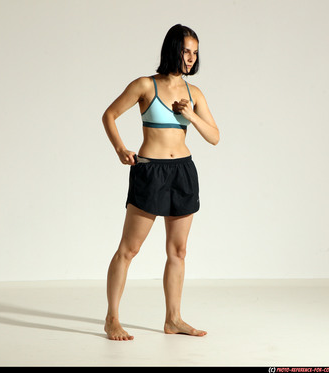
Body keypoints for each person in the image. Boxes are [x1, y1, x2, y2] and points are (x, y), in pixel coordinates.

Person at [102, 24, 219, 341]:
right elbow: (109, 115)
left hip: (182, 172)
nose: (191, 58)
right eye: (186, 51)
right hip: (150, 171)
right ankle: (112, 319)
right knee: (129, 249)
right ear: (173, 50)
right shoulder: (145, 85)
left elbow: (214, 137)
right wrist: (120, 149)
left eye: (195, 52)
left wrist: (191, 115)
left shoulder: (194, 94)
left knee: (178, 251)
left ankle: (174, 319)